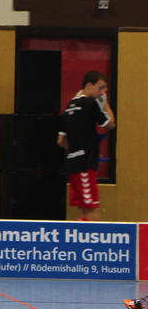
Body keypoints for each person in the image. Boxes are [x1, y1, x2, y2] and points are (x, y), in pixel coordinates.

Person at [58, 71, 116, 222]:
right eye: (101, 88)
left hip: (73, 165)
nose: (102, 92)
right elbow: (110, 124)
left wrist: (78, 149)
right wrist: (105, 103)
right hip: (85, 165)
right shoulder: (90, 103)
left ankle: (81, 235)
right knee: (92, 211)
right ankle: (95, 238)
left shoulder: (70, 105)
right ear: (89, 85)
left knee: (83, 211)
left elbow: (61, 140)